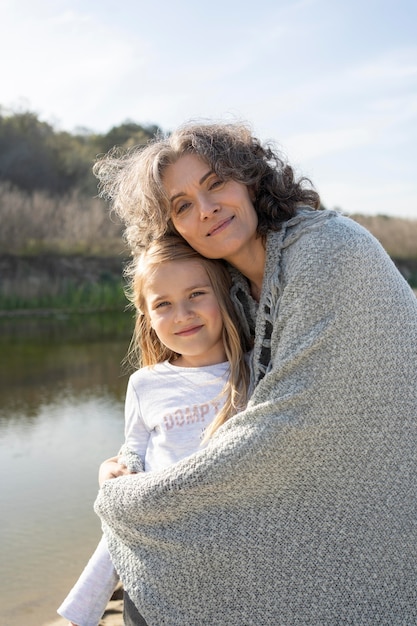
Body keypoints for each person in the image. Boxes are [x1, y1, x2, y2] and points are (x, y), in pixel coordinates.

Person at [93, 121, 417, 624]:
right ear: (173, 227)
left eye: (216, 182)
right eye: (181, 205)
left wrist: (144, 499)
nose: (205, 209)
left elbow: (289, 424)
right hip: (312, 491)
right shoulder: (235, 294)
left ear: (250, 179)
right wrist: (133, 463)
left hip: (382, 489)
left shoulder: (329, 250)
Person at [57, 235, 251, 626]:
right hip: (157, 555)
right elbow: (134, 450)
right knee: (122, 516)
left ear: (225, 296)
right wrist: (113, 470)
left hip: (229, 553)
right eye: (163, 304)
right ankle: (82, 612)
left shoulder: (251, 371)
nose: (183, 314)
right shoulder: (146, 384)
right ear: (146, 315)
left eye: (197, 294)